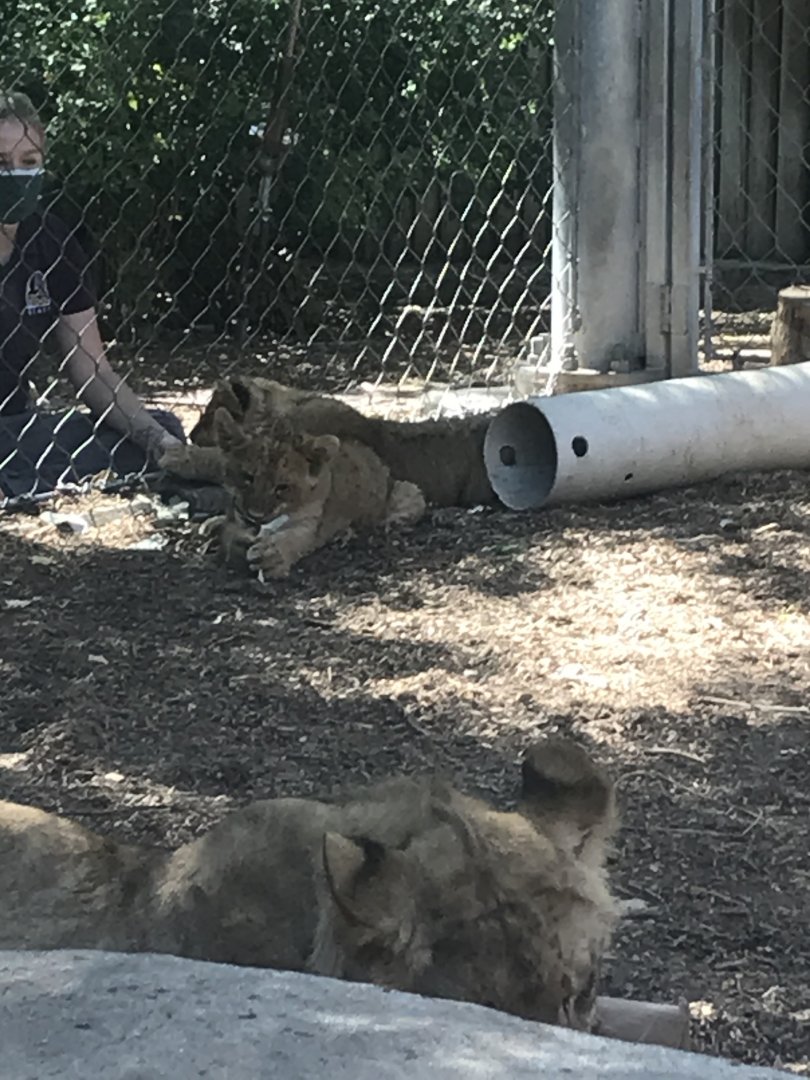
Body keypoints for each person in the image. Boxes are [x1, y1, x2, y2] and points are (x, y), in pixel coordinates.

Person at [0, 91, 187, 500]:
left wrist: (156, 441)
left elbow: (92, 370)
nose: (15, 175)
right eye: (0, 163)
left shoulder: (51, 239)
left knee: (159, 429)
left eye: (28, 163)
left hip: (17, 429)